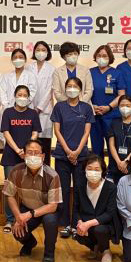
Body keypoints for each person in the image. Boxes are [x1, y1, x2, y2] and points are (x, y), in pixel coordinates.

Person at [3, 139, 62, 262]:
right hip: (27, 207)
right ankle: (29, 243)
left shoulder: (52, 175)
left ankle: (49, 254)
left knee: (50, 222)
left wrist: (29, 214)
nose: (33, 156)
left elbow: (53, 206)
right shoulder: (16, 171)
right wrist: (18, 216)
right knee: (17, 231)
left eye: (37, 153)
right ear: (24, 155)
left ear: (43, 156)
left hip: (47, 210)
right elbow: (9, 195)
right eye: (30, 152)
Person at [51, 76, 94, 239]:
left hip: (81, 156)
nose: (71, 89)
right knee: (62, 189)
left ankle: (76, 222)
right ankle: (65, 223)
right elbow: (57, 131)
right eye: (69, 86)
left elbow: (86, 132)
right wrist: (68, 151)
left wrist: (77, 151)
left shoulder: (86, 108)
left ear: (80, 90)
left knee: (79, 189)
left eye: (75, 86)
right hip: (62, 155)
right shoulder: (59, 107)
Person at [0, 85, 41, 232]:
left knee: (29, 188)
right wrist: (18, 150)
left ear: (29, 98)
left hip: (29, 157)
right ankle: (9, 220)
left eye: (25, 95)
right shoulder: (8, 112)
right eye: (19, 95)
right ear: (15, 96)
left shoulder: (33, 113)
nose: (22, 98)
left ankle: (26, 218)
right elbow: (6, 132)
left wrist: (28, 149)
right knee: (9, 189)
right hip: (11, 156)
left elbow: (35, 132)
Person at [73, 154, 121, 262]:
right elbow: (75, 208)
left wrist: (87, 224)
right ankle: (94, 247)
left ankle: (106, 250)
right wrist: (80, 222)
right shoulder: (80, 185)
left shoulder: (111, 187)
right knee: (78, 235)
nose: (92, 172)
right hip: (86, 221)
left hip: (105, 224)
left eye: (96, 169)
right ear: (84, 170)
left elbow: (110, 213)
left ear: (102, 171)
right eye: (89, 169)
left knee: (100, 230)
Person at [89, 44, 126, 156]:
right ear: (95, 57)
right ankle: (97, 166)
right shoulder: (89, 72)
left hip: (112, 115)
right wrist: (92, 106)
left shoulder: (117, 73)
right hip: (94, 114)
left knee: (113, 146)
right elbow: (85, 93)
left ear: (110, 57)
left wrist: (109, 107)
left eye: (104, 56)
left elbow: (121, 95)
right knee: (96, 147)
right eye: (99, 55)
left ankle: (113, 167)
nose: (101, 58)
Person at [106, 95, 131, 183]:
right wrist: (119, 162)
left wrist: (126, 161)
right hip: (116, 165)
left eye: (128, 106)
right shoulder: (114, 123)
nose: (125, 108)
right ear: (118, 107)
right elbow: (111, 145)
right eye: (122, 105)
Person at [30, 41, 56, 162]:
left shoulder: (52, 69)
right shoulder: (29, 67)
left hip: (45, 110)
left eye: (43, 50)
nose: (40, 52)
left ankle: (46, 170)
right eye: (38, 50)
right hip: (30, 107)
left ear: (48, 52)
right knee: (32, 142)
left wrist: (39, 107)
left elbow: (50, 89)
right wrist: (31, 106)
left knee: (45, 144)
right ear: (34, 52)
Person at [0, 48, 38, 117]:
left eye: (21, 57)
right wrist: (7, 108)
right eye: (15, 57)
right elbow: (3, 93)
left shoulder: (31, 76)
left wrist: (22, 105)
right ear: (12, 60)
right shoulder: (6, 76)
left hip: (26, 109)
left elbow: (32, 93)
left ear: (25, 60)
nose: (18, 59)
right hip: (9, 109)